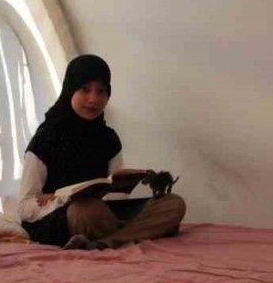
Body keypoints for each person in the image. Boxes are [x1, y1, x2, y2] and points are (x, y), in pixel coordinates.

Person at [17, 54, 186, 249]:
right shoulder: (45, 139)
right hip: (64, 217)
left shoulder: (109, 138)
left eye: (101, 91)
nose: (93, 99)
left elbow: (118, 194)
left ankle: (103, 242)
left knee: (173, 204)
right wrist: (60, 199)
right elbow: (24, 207)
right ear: (70, 89)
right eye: (85, 89)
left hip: (102, 214)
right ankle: (128, 234)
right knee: (86, 210)